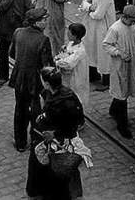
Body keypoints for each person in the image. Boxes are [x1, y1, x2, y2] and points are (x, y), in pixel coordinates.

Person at [27, 67, 87, 200]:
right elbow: (80, 119)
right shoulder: (69, 94)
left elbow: (43, 123)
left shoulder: (53, 104)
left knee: (52, 173)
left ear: (47, 83)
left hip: (56, 144)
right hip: (68, 141)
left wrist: (51, 130)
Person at [8, 7, 53, 151]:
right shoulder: (43, 39)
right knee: (36, 111)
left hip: (19, 77)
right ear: (37, 22)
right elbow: (47, 66)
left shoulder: (18, 32)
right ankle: (36, 140)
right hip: (35, 80)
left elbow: (12, 53)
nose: (46, 22)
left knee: (20, 109)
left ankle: (20, 142)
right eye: (44, 20)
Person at [102, 5, 135, 139]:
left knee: (124, 89)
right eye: (132, 20)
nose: (133, 22)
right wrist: (118, 53)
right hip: (119, 65)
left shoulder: (133, 24)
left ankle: (113, 110)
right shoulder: (115, 29)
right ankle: (122, 125)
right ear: (124, 17)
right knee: (121, 91)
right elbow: (106, 45)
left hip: (132, 63)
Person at [0, 0, 32, 86]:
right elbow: (2, 7)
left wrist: (26, 24)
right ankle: (3, 76)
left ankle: (18, 76)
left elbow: (28, 8)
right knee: (3, 53)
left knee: (19, 53)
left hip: (19, 26)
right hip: (4, 26)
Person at [81, 0, 116, 91]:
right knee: (91, 48)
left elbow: (98, 15)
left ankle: (106, 80)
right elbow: (87, 0)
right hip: (93, 26)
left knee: (102, 53)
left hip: (102, 27)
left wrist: (88, 8)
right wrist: (88, 6)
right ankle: (93, 74)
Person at [55, 22, 89, 110]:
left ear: (75, 36)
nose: (67, 34)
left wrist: (57, 61)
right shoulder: (71, 43)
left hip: (76, 77)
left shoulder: (80, 51)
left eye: (69, 32)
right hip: (69, 76)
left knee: (77, 96)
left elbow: (68, 63)